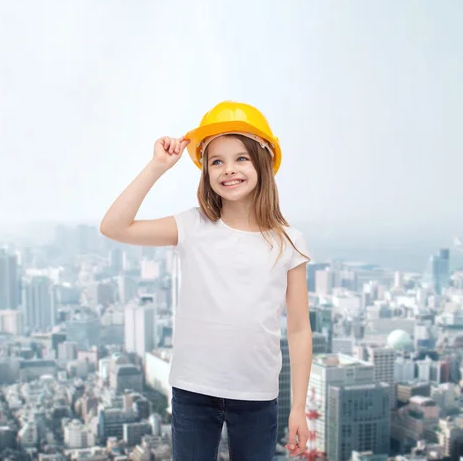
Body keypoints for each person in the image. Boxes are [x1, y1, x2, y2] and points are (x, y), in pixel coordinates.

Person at [100, 100, 312, 460]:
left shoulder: (288, 241)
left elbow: (299, 329)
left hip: (257, 395)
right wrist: (157, 167)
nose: (229, 169)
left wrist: (298, 407)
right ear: (205, 171)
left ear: (263, 162)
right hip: (193, 390)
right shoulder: (192, 226)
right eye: (217, 161)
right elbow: (114, 227)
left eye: (241, 158)